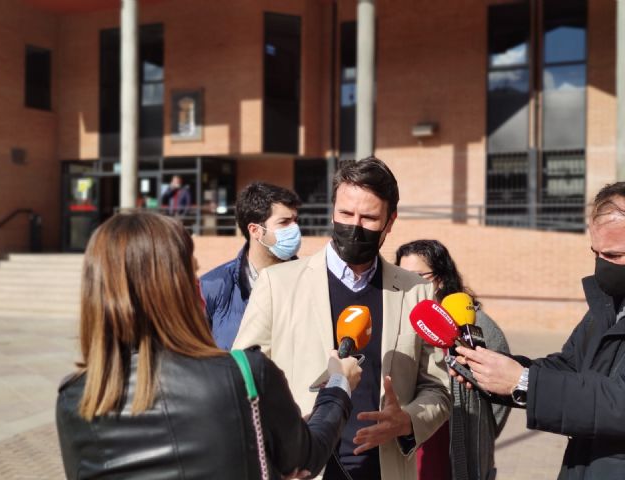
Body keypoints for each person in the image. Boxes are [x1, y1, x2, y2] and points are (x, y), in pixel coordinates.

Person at [55, 211, 362, 480]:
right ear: (176, 288)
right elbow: (307, 457)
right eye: (192, 271)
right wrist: (339, 385)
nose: (199, 284)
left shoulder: (75, 398)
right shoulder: (244, 375)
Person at [234, 157, 451, 480]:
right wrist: (275, 445)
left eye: (369, 218)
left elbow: (438, 387)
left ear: (390, 221)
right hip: (302, 469)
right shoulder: (277, 284)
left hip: (384, 470)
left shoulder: (416, 291)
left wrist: (407, 421)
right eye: (346, 214)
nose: (355, 226)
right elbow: (242, 381)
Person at [454, 181, 625, 480]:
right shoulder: (609, 304)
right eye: (595, 253)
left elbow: (617, 402)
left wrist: (523, 382)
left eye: (613, 256)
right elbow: (569, 367)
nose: (602, 266)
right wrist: (497, 372)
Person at [395, 240, 511, 480]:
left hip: (454, 448)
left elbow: (503, 395)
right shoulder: (396, 322)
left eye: (417, 276)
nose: (408, 284)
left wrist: (480, 432)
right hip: (410, 444)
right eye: (402, 276)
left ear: (440, 279)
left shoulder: (476, 324)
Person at [200, 182, 302, 349]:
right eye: (284, 222)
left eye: (296, 221)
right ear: (255, 230)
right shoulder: (211, 287)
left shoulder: (310, 281)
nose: (295, 228)